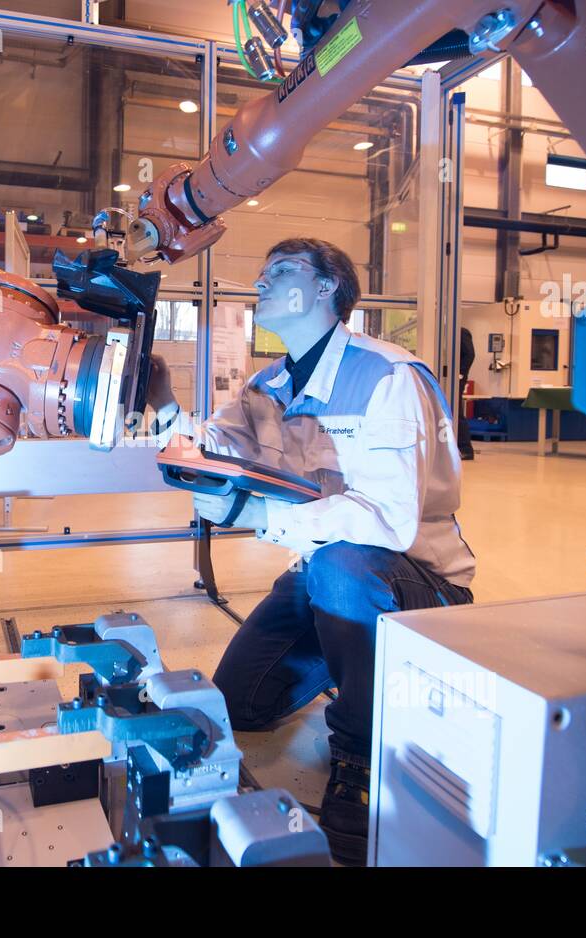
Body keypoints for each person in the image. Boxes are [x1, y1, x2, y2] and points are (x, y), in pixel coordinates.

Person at [147, 238, 475, 866]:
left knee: (339, 564)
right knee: (240, 702)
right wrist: (161, 397)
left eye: (284, 272)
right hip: (331, 573)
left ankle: (361, 755)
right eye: (262, 270)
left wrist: (258, 515)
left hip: (422, 582)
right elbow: (208, 447)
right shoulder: (267, 384)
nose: (262, 281)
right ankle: (355, 657)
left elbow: (389, 522)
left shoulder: (388, 376)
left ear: (328, 289)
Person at [458, 326, 476, 461]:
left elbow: (470, 354)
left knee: (456, 412)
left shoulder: (461, 331)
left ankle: (466, 449)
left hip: (456, 379)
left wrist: (460, 373)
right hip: (445, 377)